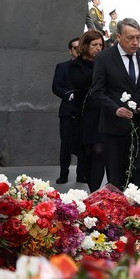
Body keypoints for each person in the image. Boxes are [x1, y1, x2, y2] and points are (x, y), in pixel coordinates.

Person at [90, 18, 140, 189]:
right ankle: (119, 203)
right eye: (130, 38)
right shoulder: (104, 57)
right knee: (117, 172)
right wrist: (116, 109)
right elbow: (97, 92)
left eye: (138, 37)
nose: (135, 42)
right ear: (119, 36)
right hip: (116, 125)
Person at [68, 30, 106, 192]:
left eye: (101, 45)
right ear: (85, 46)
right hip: (84, 115)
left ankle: (95, 191)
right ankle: (92, 189)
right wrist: (99, 67)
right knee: (88, 153)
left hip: (102, 113)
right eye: (94, 45)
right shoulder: (76, 65)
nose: (98, 48)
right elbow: (79, 82)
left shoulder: (105, 63)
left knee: (99, 151)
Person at [52, 39, 79, 184]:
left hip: (84, 112)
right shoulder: (62, 67)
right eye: (76, 48)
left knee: (84, 144)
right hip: (68, 111)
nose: (79, 51)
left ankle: (82, 174)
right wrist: (69, 95)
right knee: (66, 144)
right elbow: (56, 87)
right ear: (70, 50)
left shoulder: (92, 66)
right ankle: (64, 174)